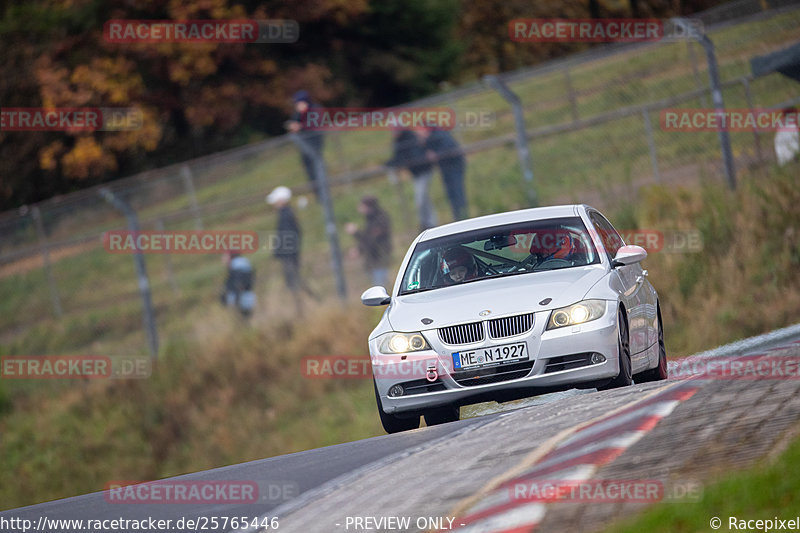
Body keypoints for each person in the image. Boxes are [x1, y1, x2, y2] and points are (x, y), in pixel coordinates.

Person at [266, 185, 315, 314]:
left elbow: (287, 236)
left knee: (294, 282)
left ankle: (302, 308)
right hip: (290, 255)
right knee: (295, 281)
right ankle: (308, 304)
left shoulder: (286, 215)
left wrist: (281, 252)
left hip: (289, 256)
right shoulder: (287, 214)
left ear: (282, 200)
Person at [386, 129, 437, 231]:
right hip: (416, 174)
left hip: (424, 170)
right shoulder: (398, 142)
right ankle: (429, 223)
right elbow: (398, 157)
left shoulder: (410, 138)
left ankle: (428, 223)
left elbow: (412, 155)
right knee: (423, 199)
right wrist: (388, 164)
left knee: (420, 199)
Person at [345, 195, 393, 287]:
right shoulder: (371, 219)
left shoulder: (379, 219)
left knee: (380, 288)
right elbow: (368, 238)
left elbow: (371, 240)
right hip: (374, 259)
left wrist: (356, 233)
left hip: (379, 258)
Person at [285, 90, 325, 199]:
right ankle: (319, 196)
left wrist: (301, 126)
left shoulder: (315, 109)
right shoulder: (298, 114)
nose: (298, 106)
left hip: (315, 146)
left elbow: (315, 123)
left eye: (299, 103)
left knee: (318, 171)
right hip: (304, 149)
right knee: (310, 174)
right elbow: (294, 124)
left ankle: (324, 195)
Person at [422, 127, 468, 220]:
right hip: (446, 168)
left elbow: (448, 148)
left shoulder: (439, 135)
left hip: (454, 166)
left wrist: (436, 155)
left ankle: (462, 216)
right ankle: (458, 216)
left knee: (457, 192)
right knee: (452, 193)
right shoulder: (432, 137)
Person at [220, 251, 255, 318]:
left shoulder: (236, 267)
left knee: (243, 320)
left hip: (241, 300)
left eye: (225, 256)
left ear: (230, 256)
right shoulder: (243, 264)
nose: (223, 258)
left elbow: (238, 284)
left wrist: (236, 300)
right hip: (248, 297)